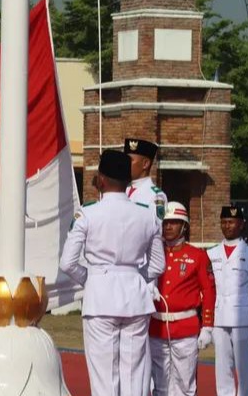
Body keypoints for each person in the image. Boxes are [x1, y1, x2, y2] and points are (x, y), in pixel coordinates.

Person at [60, 149, 165, 396]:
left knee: (105, 377)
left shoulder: (88, 213)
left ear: (102, 179)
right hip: (135, 298)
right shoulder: (147, 215)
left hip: (100, 299)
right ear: (127, 181)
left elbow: (67, 263)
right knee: (135, 377)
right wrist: (134, 278)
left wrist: (92, 279)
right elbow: (158, 265)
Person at [149, 202, 215, 396]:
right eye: (165, 222)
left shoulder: (198, 256)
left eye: (174, 222)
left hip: (185, 329)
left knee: (185, 386)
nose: (168, 226)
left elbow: (208, 291)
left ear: (184, 226)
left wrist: (207, 326)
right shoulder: (153, 254)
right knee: (159, 386)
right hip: (156, 328)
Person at [207, 205, 248, 396]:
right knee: (222, 368)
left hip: (242, 318)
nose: (227, 226)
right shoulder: (212, 253)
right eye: (224, 222)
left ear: (241, 224)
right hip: (219, 317)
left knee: (243, 367)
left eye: (231, 222)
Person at [123, 138, 168, 221]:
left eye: (130, 160)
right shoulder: (121, 189)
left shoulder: (156, 196)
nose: (125, 163)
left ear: (145, 164)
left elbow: (157, 226)